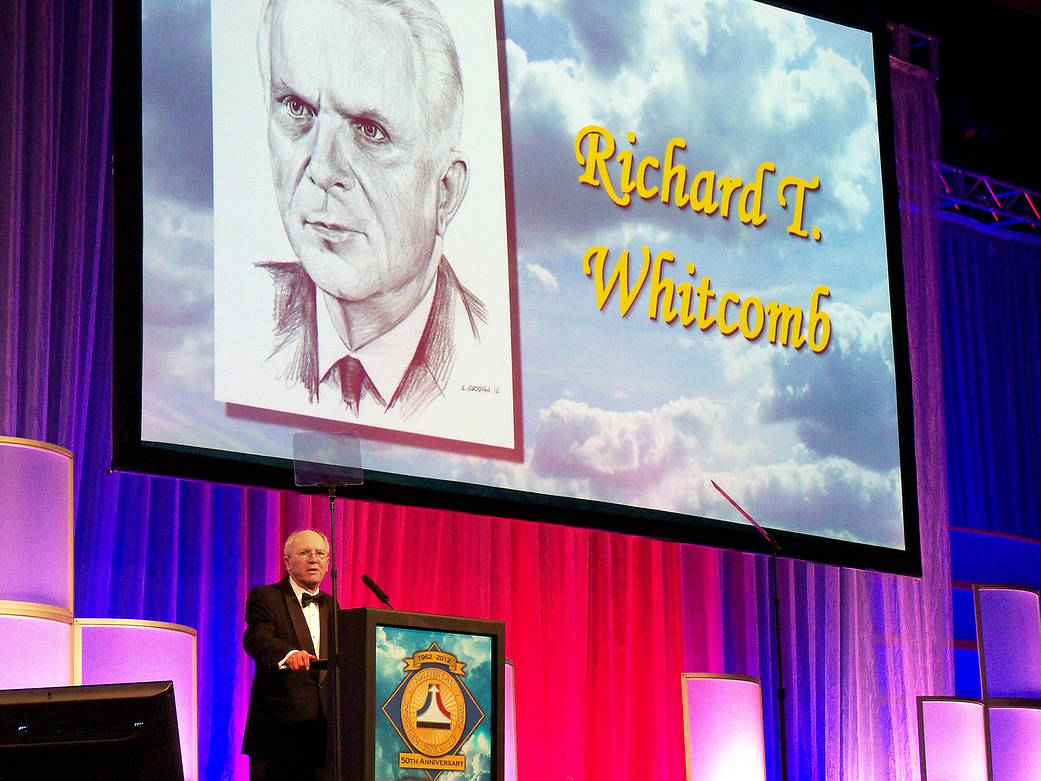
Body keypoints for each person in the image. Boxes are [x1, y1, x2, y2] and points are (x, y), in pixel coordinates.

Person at [256, 0, 487, 421]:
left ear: (445, 192)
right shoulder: (228, 324)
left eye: (369, 131)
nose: (323, 170)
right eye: (296, 108)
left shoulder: (485, 355)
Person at [242, 529, 335, 780]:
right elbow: (256, 638)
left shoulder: (333, 605)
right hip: (278, 737)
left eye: (320, 553)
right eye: (305, 553)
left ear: (328, 563)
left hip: (323, 738)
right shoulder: (266, 597)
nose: (313, 559)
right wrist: (289, 654)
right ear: (287, 561)